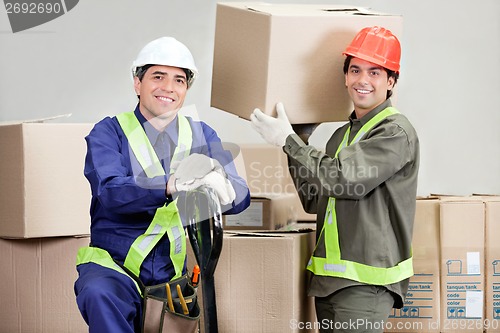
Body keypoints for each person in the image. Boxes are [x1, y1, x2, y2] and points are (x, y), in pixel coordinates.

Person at [74, 36, 250, 332]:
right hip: (114, 269)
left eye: (179, 80)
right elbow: (111, 192)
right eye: (158, 76)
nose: (168, 87)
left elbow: (241, 193)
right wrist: (171, 185)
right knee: (100, 294)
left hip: (172, 274)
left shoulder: (201, 134)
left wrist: (226, 189)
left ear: (185, 90)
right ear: (137, 83)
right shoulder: (109, 132)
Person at [250, 26, 419, 332]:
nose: (362, 80)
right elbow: (315, 200)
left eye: (375, 72)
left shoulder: (394, 132)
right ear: (345, 77)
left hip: (366, 284)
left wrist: (289, 141)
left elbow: (343, 179)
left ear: (391, 81)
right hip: (329, 284)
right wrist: (297, 142)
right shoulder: (343, 135)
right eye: (355, 70)